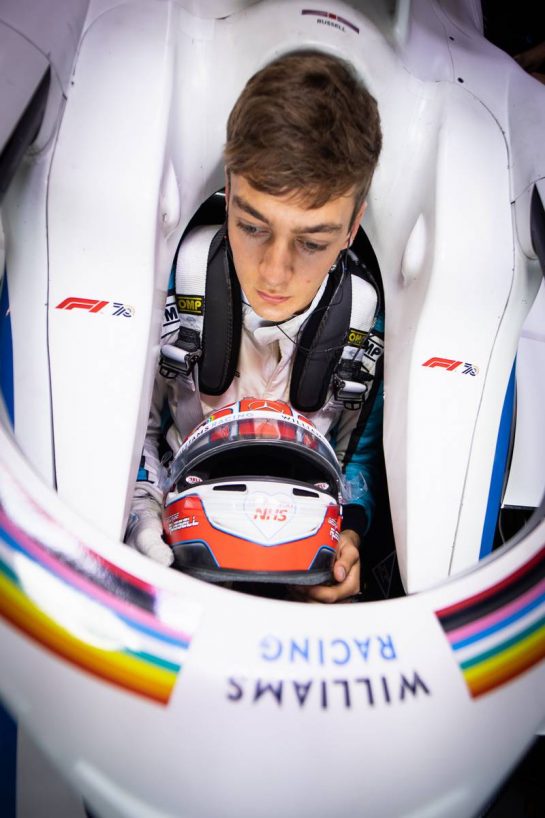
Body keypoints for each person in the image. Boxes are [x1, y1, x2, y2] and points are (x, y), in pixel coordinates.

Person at [126, 49, 383, 602]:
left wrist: (349, 537)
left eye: (312, 242)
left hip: (303, 560)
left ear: (353, 226)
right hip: (175, 546)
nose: (275, 272)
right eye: (252, 225)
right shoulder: (175, 280)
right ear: (228, 189)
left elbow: (358, 456)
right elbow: (132, 427)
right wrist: (142, 517)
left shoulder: (367, 321)